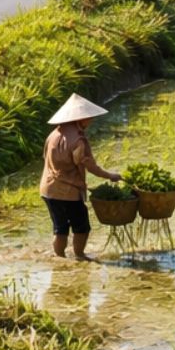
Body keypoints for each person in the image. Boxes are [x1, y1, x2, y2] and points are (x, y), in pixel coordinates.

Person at [38, 94, 123, 261]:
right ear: (81, 118)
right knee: (81, 226)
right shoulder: (78, 140)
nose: (90, 120)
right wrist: (110, 175)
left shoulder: (53, 135)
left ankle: (59, 258)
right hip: (67, 192)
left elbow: (47, 159)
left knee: (60, 227)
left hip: (48, 190)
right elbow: (87, 165)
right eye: (88, 117)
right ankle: (79, 256)